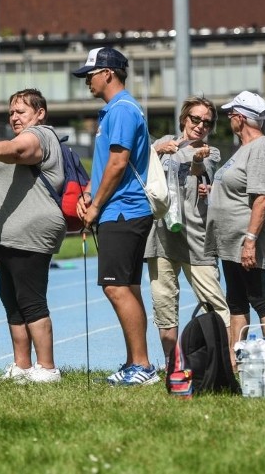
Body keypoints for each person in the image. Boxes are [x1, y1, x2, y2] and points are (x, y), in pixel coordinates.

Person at [0, 88, 67, 384]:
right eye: (11, 113)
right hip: (6, 236)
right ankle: (22, 366)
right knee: (12, 301)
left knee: (31, 300)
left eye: (21, 111)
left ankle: (47, 369)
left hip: (29, 233)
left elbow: (21, 150)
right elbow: (14, 153)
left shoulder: (42, 135)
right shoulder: (14, 141)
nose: (15, 117)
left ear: (40, 113)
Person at [72, 47, 158, 386]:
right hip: (120, 209)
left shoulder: (122, 109)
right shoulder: (114, 111)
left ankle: (143, 365)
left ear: (108, 73)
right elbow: (105, 165)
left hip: (123, 210)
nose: (87, 82)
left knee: (116, 288)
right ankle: (134, 362)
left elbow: (119, 163)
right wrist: (89, 195)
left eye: (90, 75)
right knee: (127, 288)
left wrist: (95, 207)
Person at [144, 97, 231, 364]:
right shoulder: (162, 143)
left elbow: (199, 168)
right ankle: (173, 364)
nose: (201, 125)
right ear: (184, 119)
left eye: (207, 122)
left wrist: (196, 159)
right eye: (196, 119)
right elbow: (141, 164)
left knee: (215, 303)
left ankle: (225, 363)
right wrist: (157, 149)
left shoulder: (211, 152)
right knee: (164, 304)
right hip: (161, 238)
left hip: (197, 238)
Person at [205, 91, 265, 358]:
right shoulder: (243, 149)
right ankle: (236, 361)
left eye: (231, 114)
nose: (228, 118)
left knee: (260, 298)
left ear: (241, 117)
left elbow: (262, 198)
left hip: (245, 240)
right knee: (236, 302)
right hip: (230, 241)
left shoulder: (260, 149)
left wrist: (250, 240)